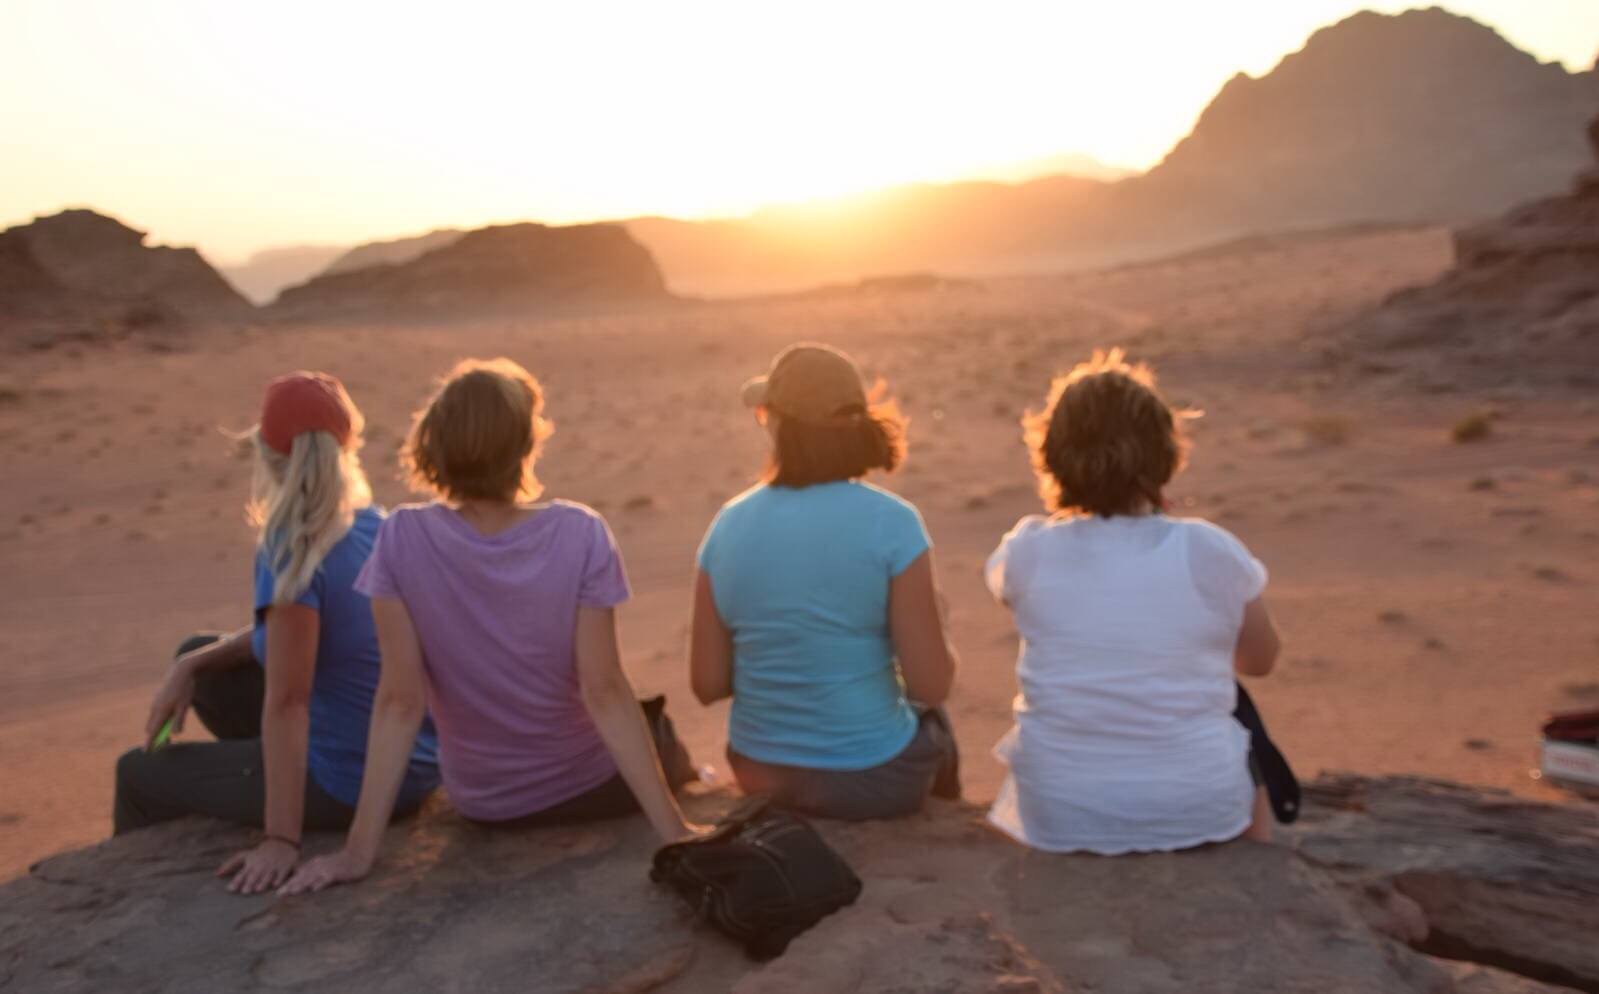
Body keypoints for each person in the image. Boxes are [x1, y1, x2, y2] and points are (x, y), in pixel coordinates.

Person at [280, 358, 702, 896]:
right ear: (524, 445)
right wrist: (676, 833)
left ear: (436, 443)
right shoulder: (581, 532)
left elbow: (399, 703)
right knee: (655, 725)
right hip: (589, 786)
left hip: (486, 803)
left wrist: (358, 853)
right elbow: (604, 690)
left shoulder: (400, 538)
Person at [114, 372, 441, 894]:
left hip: (347, 782)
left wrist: (280, 839)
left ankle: (128, 914)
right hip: (410, 760)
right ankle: (259, 770)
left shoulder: (293, 546)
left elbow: (289, 702)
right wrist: (190, 666)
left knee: (137, 774)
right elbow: (297, 633)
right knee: (200, 651)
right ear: (347, 447)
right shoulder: (373, 524)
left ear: (267, 453)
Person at [984, 349, 1281, 854]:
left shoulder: (1027, 550)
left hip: (1060, 807)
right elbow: (1260, 660)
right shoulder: (1209, 548)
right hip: (1196, 802)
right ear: (1164, 452)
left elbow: (1032, 606)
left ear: (1053, 456)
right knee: (1248, 750)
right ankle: (1256, 883)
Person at [690, 342, 961, 821]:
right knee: (935, 723)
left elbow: (708, 684)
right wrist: (937, 625)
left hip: (759, 772)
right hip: (873, 781)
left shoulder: (726, 526)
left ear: (776, 424)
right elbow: (932, 683)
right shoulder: (893, 523)